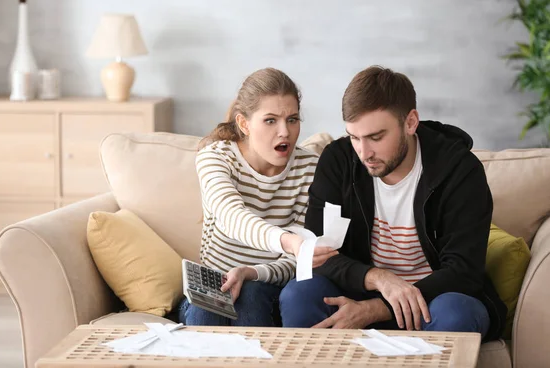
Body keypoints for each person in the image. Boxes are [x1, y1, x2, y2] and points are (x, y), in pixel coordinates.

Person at [279, 66, 506, 342]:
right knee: (298, 294)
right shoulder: (338, 161)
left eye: (376, 137)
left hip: (434, 301)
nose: (364, 152)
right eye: (354, 137)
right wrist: (378, 279)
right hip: (361, 290)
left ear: (410, 123)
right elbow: (317, 254)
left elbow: (463, 272)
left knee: (457, 312)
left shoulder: (459, 170)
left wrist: (376, 309)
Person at [178, 67, 337, 327]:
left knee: (251, 294)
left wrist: (252, 272)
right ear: (244, 124)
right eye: (271, 120)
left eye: (293, 120)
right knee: (206, 311)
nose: (284, 132)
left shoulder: (310, 169)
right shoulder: (215, 158)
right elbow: (232, 217)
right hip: (212, 285)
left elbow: (294, 262)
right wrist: (288, 241)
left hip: (266, 286)